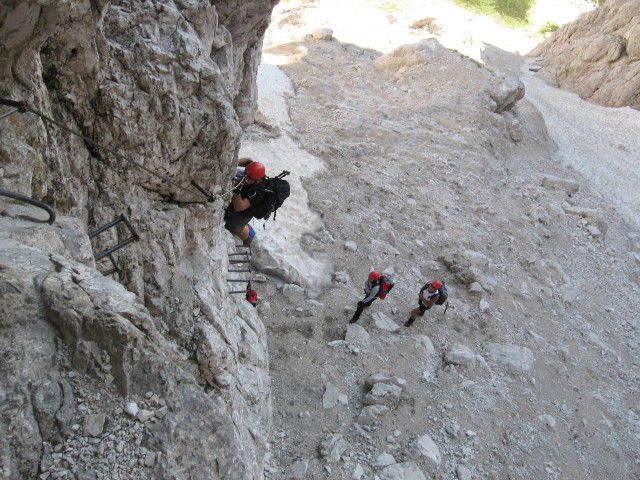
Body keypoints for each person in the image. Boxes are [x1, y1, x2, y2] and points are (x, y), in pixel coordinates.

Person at [224, 158, 266, 245]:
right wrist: (234, 164)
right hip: (240, 199)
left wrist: (237, 188)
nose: (246, 178)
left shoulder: (258, 192)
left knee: (234, 228)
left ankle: (248, 239)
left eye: (249, 178)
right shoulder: (252, 170)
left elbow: (239, 207)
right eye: (246, 175)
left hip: (244, 213)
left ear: (257, 180)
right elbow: (247, 160)